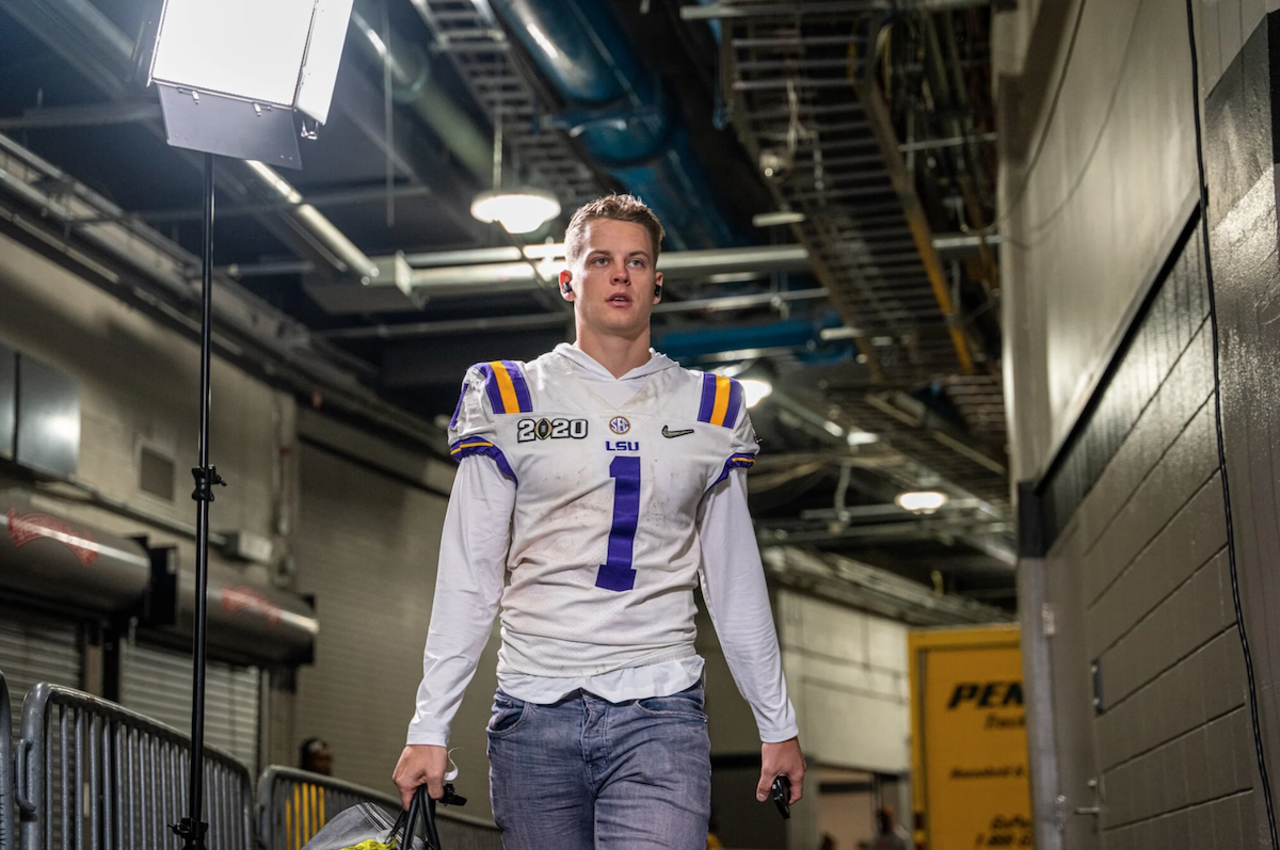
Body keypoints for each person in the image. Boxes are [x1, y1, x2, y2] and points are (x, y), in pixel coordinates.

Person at [392, 194, 806, 850]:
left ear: (657, 284)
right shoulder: (508, 396)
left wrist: (776, 723)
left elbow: (733, 584)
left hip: (661, 711)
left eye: (637, 262)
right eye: (601, 259)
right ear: (567, 280)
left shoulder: (712, 408)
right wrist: (429, 725)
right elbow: (470, 576)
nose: (621, 274)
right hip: (533, 715)